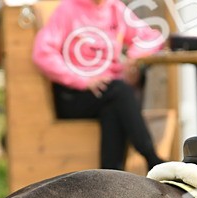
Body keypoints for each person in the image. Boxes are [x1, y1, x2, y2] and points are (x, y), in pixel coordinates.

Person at [32, 0, 166, 171]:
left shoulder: (114, 8)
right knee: (121, 92)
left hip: (106, 93)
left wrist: (133, 58)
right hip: (73, 95)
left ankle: (110, 177)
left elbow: (151, 36)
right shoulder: (67, 9)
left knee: (113, 110)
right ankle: (152, 159)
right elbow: (42, 54)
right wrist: (82, 80)